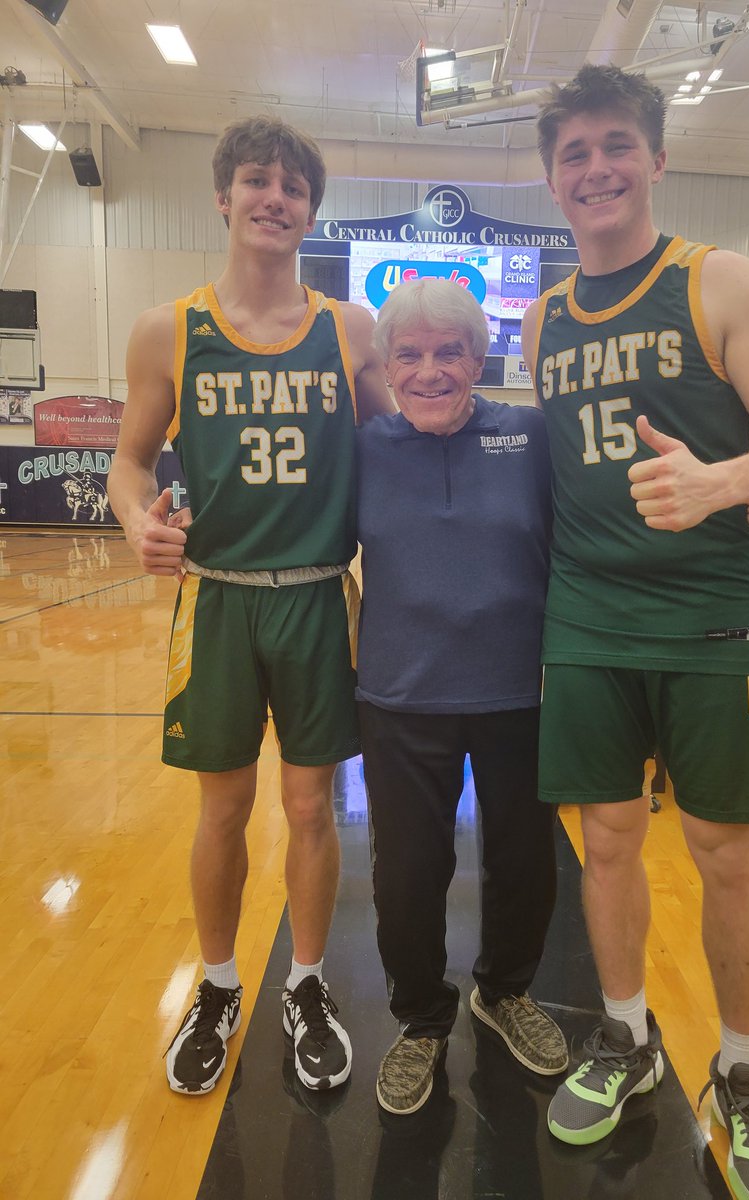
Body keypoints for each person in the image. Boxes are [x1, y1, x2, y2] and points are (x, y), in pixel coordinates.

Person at [521, 65, 749, 1200]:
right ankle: (623, 1035)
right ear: (552, 176)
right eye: (574, 153)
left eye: (616, 146)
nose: (594, 168)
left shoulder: (720, 280)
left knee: (723, 855)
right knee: (606, 842)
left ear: (655, 158)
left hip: (707, 621)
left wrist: (729, 482)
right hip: (587, 621)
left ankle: (743, 1074)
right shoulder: (544, 315)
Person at [108, 116, 392, 1097]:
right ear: (223, 197)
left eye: (294, 187)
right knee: (222, 806)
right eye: (258, 181)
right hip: (219, 600)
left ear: (312, 209)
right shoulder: (168, 329)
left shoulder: (348, 328)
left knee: (311, 807)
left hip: (319, 596)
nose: (276, 198)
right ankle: (221, 985)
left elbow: (401, 452)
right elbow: (128, 464)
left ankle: (305, 985)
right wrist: (137, 520)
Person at [355, 278, 567, 1115]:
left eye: (450, 352)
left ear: (481, 359)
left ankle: (504, 991)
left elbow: (612, 511)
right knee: (407, 873)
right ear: (387, 365)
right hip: (401, 696)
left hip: (520, 691)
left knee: (522, 863)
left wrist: (748, 502)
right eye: (409, 354)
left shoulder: (533, 436)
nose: (431, 370)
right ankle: (420, 1020)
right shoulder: (364, 446)